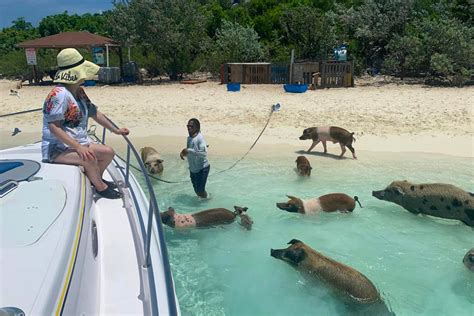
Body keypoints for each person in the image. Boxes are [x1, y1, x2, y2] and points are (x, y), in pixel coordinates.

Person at [42, 48, 129, 199]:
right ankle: (101, 188)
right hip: (56, 149)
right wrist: (78, 147)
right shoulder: (59, 95)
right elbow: (53, 127)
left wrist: (116, 130)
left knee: (109, 152)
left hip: (77, 144)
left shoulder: (79, 91)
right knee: (89, 158)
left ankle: (96, 179)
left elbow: (95, 114)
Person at [180, 118, 210, 199]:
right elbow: (190, 152)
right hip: (193, 169)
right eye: (188, 126)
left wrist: (189, 150)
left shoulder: (200, 138)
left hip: (202, 168)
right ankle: (205, 200)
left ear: (197, 127)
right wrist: (183, 153)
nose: (189, 128)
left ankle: (207, 200)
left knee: (200, 191)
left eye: (191, 126)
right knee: (197, 191)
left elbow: (203, 154)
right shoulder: (189, 138)